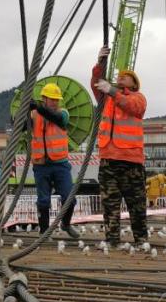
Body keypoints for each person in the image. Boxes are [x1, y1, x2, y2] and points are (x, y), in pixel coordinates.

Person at [91, 47, 148, 247]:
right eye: (120, 76)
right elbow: (96, 83)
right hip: (109, 158)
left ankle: (141, 239)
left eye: (127, 77)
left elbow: (133, 107)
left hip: (131, 160)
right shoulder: (107, 97)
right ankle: (112, 239)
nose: (122, 78)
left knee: (137, 204)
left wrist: (112, 90)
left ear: (134, 83)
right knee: (110, 204)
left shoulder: (138, 98)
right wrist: (100, 63)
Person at [28, 83, 80, 238]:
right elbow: (18, 124)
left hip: (60, 164)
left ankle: (66, 224)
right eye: (52, 99)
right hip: (41, 164)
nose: (55, 102)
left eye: (57, 100)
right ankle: (44, 231)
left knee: (69, 198)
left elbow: (56, 118)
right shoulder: (34, 114)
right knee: (43, 201)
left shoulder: (63, 113)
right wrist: (24, 108)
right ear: (44, 98)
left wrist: (38, 107)